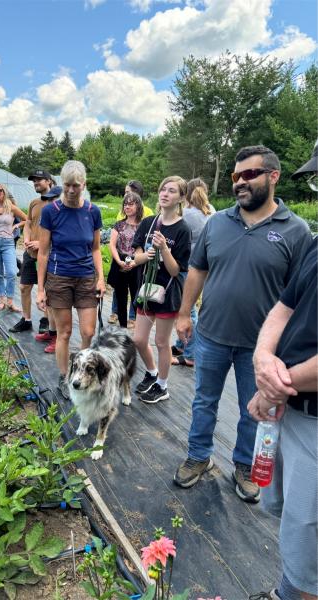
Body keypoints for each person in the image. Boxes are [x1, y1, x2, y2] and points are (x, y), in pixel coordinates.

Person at [173, 145, 312, 503]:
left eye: (250, 174)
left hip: (261, 348)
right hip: (211, 334)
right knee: (204, 400)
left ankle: (244, 466)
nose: (240, 183)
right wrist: (184, 313)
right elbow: (197, 270)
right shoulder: (217, 222)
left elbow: (300, 297)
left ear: (273, 177)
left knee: (257, 409)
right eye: (236, 176)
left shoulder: (296, 232)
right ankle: (198, 456)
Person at [248, 143, 317, 600]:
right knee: (288, 513)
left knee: (308, 537)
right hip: (288, 406)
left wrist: (275, 384)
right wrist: (262, 357)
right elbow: (285, 305)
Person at [36, 160, 106, 398]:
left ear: (83, 184)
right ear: (61, 184)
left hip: (86, 277)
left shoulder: (92, 212)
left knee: (88, 331)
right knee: (64, 332)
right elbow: (43, 253)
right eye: (67, 185)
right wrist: (40, 289)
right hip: (59, 278)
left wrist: (100, 278)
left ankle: (83, 373)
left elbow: (96, 248)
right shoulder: (51, 212)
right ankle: (66, 376)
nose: (71, 190)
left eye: (76, 185)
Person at [131, 176, 191, 404]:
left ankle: (163, 386)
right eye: (163, 189)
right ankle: (152, 372)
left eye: (172, 191)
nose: (165, 194)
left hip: (167, 293)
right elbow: (135, 257)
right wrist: (143, 256)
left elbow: (176, 271)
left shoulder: (182, 229)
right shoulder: (148, 223)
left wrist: (164, 248)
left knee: (161, 342)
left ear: (181, 198)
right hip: (147, 291)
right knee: (138, 339)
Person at [9, 170, 57, 349]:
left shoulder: (57, 203)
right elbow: (28, 222)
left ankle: (46, 321)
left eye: (39, 180)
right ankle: (27, 319)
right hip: (31, 253)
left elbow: (59, 231)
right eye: (34, 181)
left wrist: (42, 243)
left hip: (49, 254)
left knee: (48, 291)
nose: (35, 183)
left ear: (49, 181)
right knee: (24, 286)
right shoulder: (34, 203)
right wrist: (27, 238)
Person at [171, 178, 215, 367]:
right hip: (206, 266)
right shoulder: (212, 211)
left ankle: (190, 354)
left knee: (188, 310)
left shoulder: (185, 214)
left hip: (186, 266)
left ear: (186, 194)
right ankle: (182, 345)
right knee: (191, 307)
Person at [109, 180, 153, 328]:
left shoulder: (144, 225)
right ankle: (121, 327)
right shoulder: (119, 224)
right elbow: (112, 245)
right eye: (125, 204)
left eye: (131, 204)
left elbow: (145, 246)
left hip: (137, 263)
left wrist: (136, 261)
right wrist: (119, 261)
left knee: (137, 295)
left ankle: (138, 325)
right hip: (120, 261)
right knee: (120, 295)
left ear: (138, 206)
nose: (127, 207)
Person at [0, 183, 27, 311]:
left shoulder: (11, 207)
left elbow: (27, 219)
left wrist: (16, 226)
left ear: (4, 192)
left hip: (8, 243)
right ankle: (2, 299)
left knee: (12, 272)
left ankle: (10, 301)